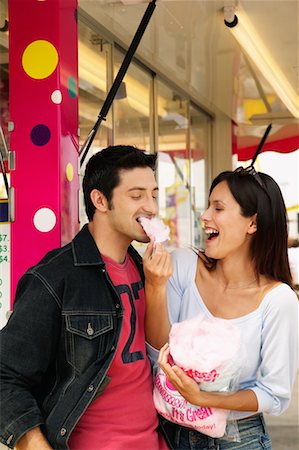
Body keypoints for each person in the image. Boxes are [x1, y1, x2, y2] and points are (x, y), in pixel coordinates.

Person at [0, 145, 167, 450]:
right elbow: (4, 376)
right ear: (100, 200)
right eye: (137, 195)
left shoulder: (146, 271)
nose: (151, 207)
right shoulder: (54, 277)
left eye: (154, 194)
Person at [143, 165, 299, 450]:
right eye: (207, 207)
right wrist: (155, 286)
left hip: (240, 438)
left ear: (252, 223)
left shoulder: (278, 301)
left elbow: (274, 395)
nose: (205, 217)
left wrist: (204, 399)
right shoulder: (182, 266)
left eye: (218, 208)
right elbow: (157, 354)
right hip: (170, 431)